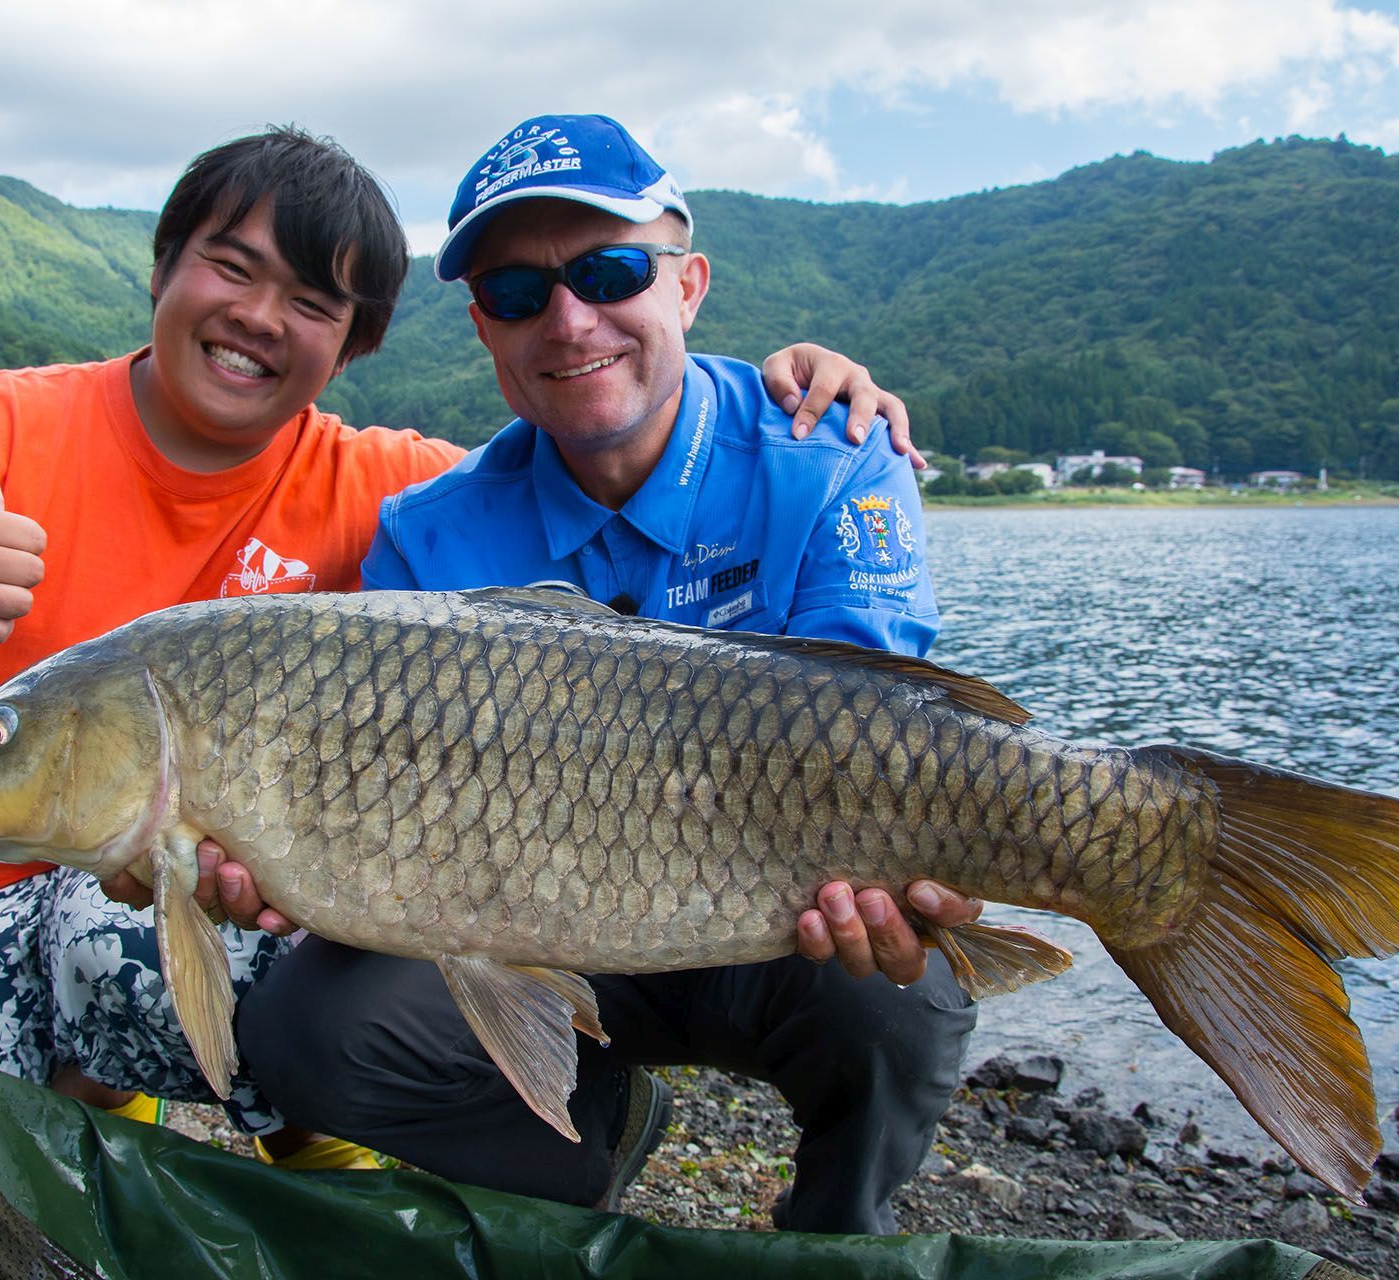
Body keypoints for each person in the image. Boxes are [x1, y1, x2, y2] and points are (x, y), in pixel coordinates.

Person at [0, 123, 934, 1154]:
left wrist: (801, 381)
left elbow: (599, 456)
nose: (259, 318)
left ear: (354, 341)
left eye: (312, 301)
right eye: (231, 267)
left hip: (152, 905)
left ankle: (366, 1138)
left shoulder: (391, 487)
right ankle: (115, 1108)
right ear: (163, 267)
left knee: (272, 945)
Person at [230, 115, 980, 1234]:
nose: (569, 319)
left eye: (609, 270)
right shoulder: (425, 542)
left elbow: (884, 721)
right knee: (303, 1028)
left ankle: (834, 1235)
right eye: (518, 292)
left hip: (775, 923)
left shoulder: (831, 453)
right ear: (485, 326)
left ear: (689, 285)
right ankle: (584, 1162)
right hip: (530, 934)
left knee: (900, 991)